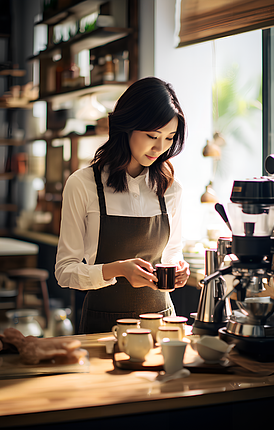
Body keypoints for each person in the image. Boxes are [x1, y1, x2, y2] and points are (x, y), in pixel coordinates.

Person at [55, 76, 190, 334]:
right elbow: (65, 272)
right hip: (103, 327)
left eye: (170, 138)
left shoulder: (172, 188)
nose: (160, 148)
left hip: (161, 325)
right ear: (127, 126)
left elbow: (172, 253)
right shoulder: (82, 184)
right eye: (152, 135)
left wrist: (178, 270)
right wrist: (116, 270)